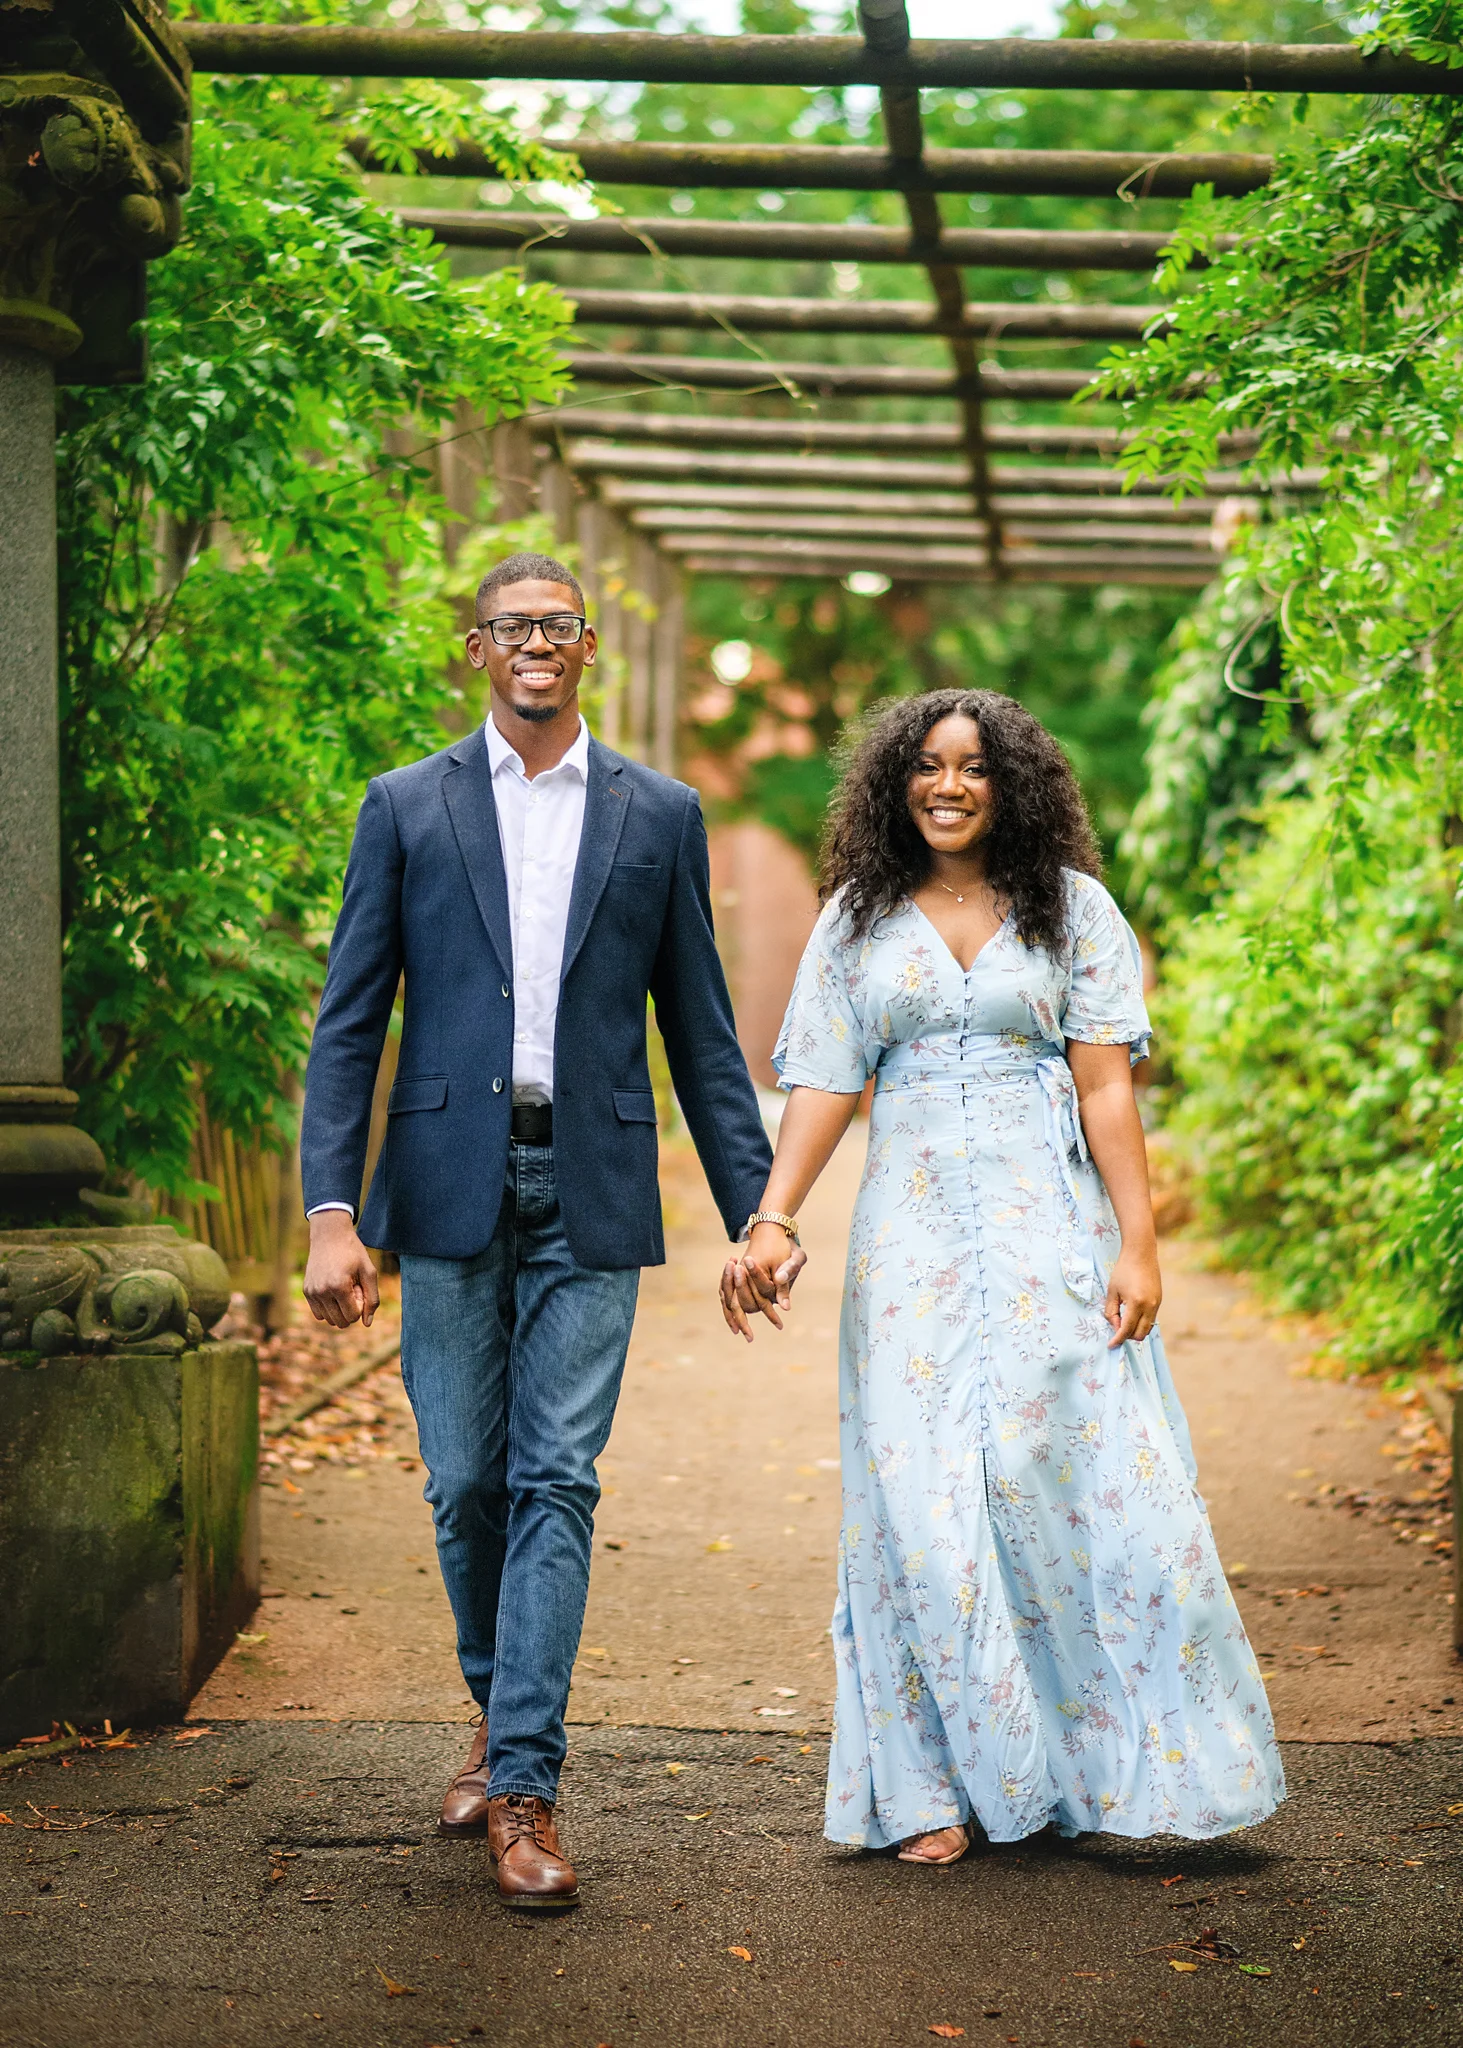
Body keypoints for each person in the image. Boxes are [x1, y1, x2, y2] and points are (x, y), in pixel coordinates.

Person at [720, 690, 1284, 1862]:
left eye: (973, 768)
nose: (947, 785)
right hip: (911, 1241)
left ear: (1010, 786)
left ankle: (1098, 1769)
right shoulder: (856, 916)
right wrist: (773, 1216)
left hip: (1046, 1232)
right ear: (892, 781)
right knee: (917, 1503)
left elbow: (1104, 1084)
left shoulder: (1072, 908)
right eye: (925, 765)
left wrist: (1136, 1241)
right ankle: (931, 1783)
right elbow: (825, 1078)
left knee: (1067, 1487)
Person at [300, 551, 781, 1911]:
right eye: (510, 627)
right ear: (476, 647)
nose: (533, 646)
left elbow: (697, 1030)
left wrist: (757, 1207)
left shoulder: (659, 812)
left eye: (555, 628)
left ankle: (523, 1784)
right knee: (465, 1483)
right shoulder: (402, 808)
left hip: (593, 1189)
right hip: (446, 1184)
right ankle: (495, 1698)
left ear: (585, 649)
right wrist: (330, 1211)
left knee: (555, 1480)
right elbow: (349, 1022)